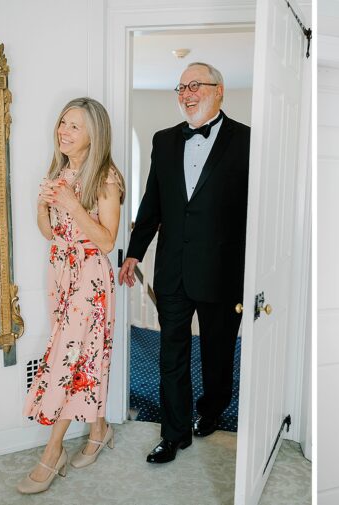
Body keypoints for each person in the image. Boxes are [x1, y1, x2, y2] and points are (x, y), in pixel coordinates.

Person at [118, 62, 250, 463]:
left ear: (219, 90)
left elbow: (254, 210)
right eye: (181, 88)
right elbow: (152, 203)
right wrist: (135, 252)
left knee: (218, 350)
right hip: (172, 270)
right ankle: (174, 435)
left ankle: (211, 410)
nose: (187, 94)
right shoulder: (164, 141)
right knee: (171, 353)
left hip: (222, 270)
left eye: (196, 85)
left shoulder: (247, 140)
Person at [20, 97, 125, 494]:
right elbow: (50, 232)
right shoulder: (61, 171)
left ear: (93, 134)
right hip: (60, 273)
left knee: (67, 359)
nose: (63, 131)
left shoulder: (106, 178)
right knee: (80, 354)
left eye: (74, 125)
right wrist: (43, 207)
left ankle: (53, 452)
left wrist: (70, 204)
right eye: (63, 122)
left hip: (90, 277)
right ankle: (99, 429)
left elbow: (107, 239)